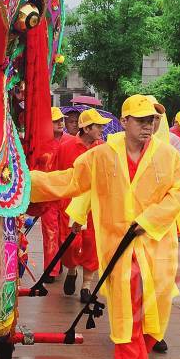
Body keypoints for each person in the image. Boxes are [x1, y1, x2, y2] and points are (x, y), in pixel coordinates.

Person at [30, 95, 180, 359]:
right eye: (141, 120)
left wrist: (150, 220)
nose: (148, 126)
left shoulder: (168, 156)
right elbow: (70, 181)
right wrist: (24, 183)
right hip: (119, 248)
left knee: (155, 314)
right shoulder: (101, 156)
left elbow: (179, 193)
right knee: (127, 313)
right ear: (124, 122)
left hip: (156, 246)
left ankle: (137, 358)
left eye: (152, 120)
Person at [54, 109, 109, 300]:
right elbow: (59, 175)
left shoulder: (104, 149)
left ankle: (86, 286)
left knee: (92, 243)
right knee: (70, 243)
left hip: (95, 204)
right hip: (71, 204)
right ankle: (71, 270)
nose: (102, 129)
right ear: (86, 128)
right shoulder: (66, 147)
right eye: (98, 126)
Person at [27, 107, 75, 284]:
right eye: (56, 121)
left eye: (61, 120)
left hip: (67, 194)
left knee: (66, 232)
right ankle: (51, 269)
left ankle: (65, 263)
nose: (60, 123)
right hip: (48, 195)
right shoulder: (40, 145)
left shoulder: (71, 142)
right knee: (50, 233)